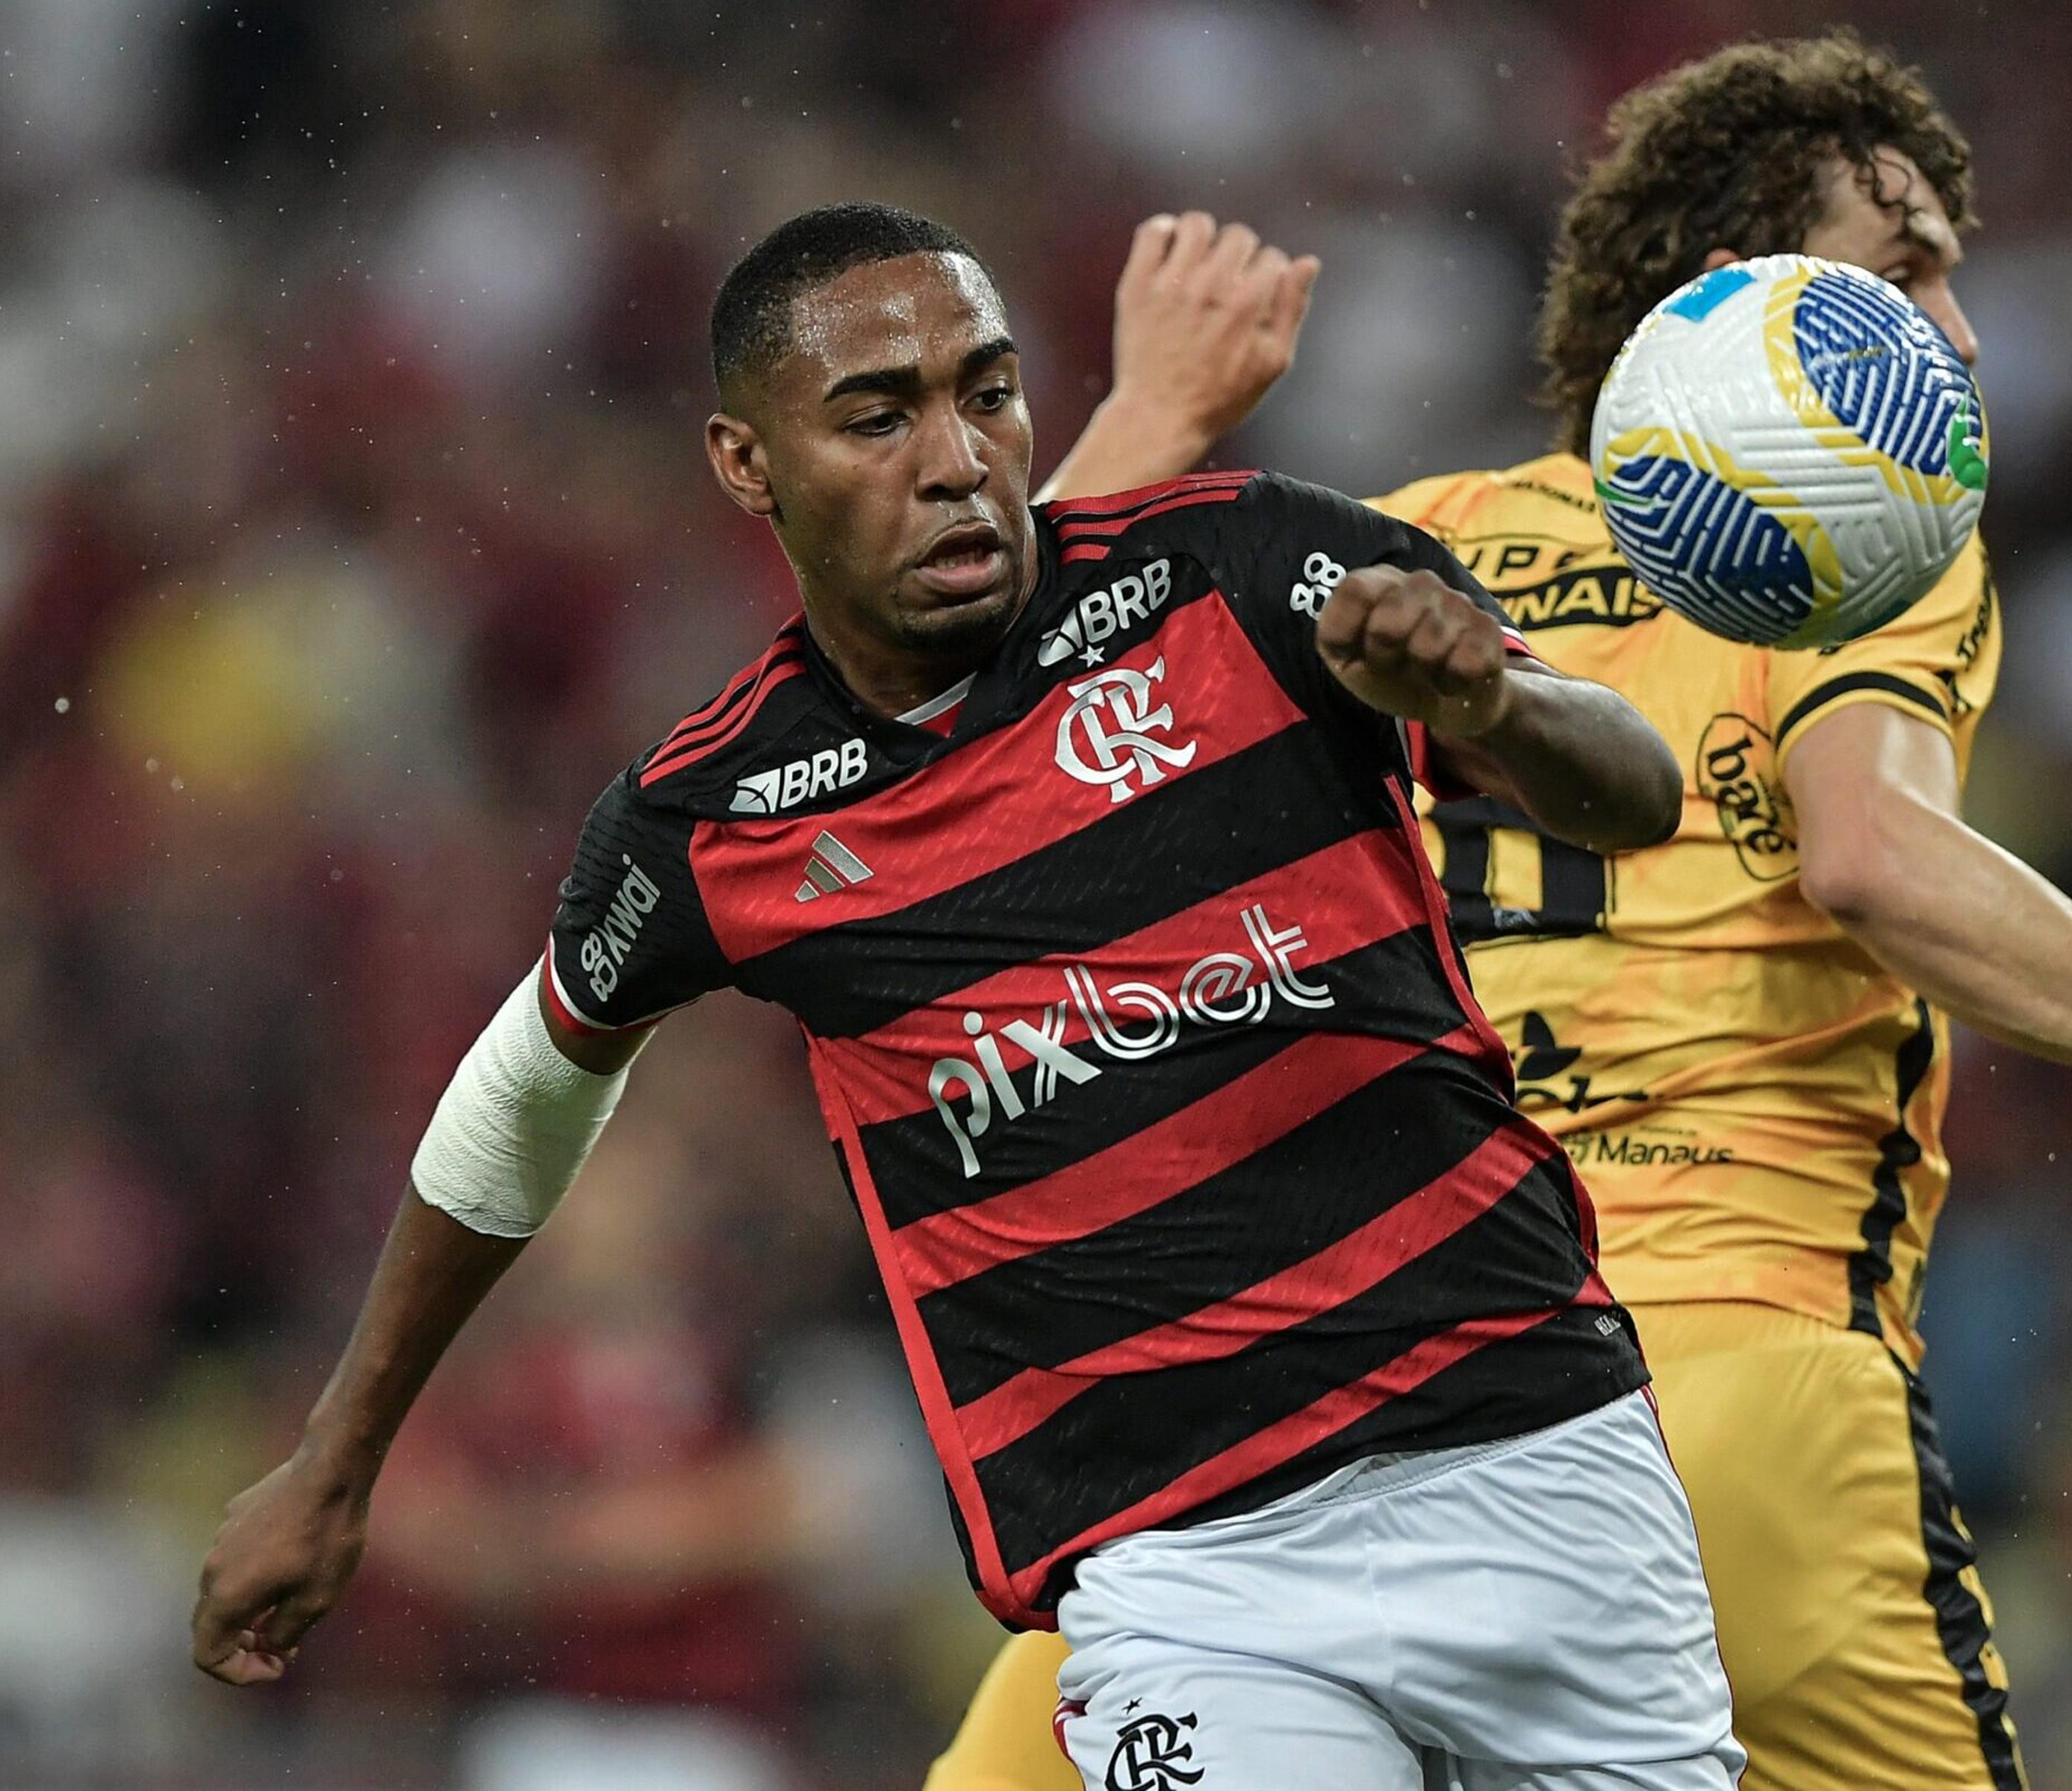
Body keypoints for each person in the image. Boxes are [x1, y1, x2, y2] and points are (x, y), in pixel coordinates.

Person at [931, 33, 2072, 1791]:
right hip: (1731, 1389)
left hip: (1324, 1432)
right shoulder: (1855, 520)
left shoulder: (1393, 545)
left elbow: (975, 795)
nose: (1954, 329)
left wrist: (1150, 419)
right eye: (1907, 268)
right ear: (1740, 297)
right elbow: (1868, 854)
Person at [187, 199, 1754, 1791]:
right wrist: (339, 1456)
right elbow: (523, 1090)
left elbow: (1631, 794)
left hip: (1538, 1455)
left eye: (987, 392)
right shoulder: (712, 818)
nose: (957, 456)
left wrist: (1493, 691)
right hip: (1189, 1574)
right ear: (748, 465)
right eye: (878, 414)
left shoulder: (1247, 562)